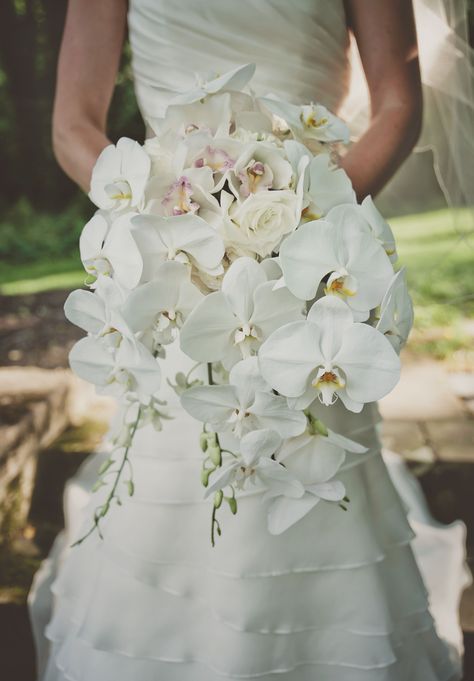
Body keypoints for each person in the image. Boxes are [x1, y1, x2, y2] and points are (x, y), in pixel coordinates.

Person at [29, 1, 471, 679]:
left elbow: (396, 103)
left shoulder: (312, 227)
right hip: (173, 269)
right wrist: (164, 212)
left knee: (312, 473)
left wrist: (305, 215)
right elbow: (71, 124)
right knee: (172, 486)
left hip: (312, 268)